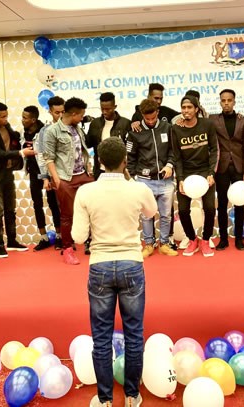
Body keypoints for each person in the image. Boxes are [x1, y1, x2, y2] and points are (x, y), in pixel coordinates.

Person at [72, 137, 155, 407]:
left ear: (99, 162)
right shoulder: (138, 189)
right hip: (131, 262)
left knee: (101, 337)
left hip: (100, 265)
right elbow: (151, 212)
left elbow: (78, 236)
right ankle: (132, 395)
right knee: (134, 334)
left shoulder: (86, 192)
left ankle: (105, 399)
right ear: (125, 161)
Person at [42, 97, 94, 265]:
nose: (82, 118)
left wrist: (88, 168)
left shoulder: (77, 128)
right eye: (81, 115)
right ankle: (68, 249)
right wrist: (56, 179)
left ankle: (93, 243)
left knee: (93, 209)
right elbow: (48, 158)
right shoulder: (52, 131)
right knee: (67, 215)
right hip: (65, 177)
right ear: (73, 114)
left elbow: (82, 152)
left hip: (83, 175)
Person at [0, 102, 35, 258]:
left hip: (7, 173)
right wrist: (21, 153)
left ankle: (12, 241)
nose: (6, 119)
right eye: (2, 117)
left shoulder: (7, 126)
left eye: (6, 116)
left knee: (10, 209)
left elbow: (14, 139)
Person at [126, 98, 178, 258]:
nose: (150, 121)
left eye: (153, 118)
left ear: (158, 112)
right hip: (144, 180)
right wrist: (131, 179)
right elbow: (130, 157)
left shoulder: (167, 128)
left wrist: (169, 165)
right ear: (141, 115)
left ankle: (164, 244)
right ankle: (148, 244)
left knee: (166, 215)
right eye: (146, 118)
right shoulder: (135, 131)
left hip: (165, 179)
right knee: (146, 215)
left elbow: (173, 150)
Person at [171, 95, 219, 257]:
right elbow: (177, 157)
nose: (186, 111)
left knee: (210, 208)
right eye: (183, 107)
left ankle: (205, 240)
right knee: (183, 210)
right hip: (186, 174)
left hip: (205, 172)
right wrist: (180, 179)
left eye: (189, 107)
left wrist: (211, 173)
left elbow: (214, 150)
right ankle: (192, 240)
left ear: (196, 109)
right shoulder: (176, 129)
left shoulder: (207, 125)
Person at [210, 88, 244, 251]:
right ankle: (223, 239)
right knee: (221, 204)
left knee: (239, 203)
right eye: (223, 100)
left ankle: (239, 239)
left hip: (239, 167)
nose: (226, 103)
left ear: (234, 101)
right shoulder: (213, 120)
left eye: (229, 100)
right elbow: (195, 114)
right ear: (220, 102)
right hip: (221, 168)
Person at [35, 96, 64, 250]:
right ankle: (59, 236)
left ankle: (70, 238)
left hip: (70, 175)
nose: (60, 115)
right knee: (54, 205)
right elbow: (41, 156)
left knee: (70, 208)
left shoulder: (72, 127)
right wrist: (45, 177)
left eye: (63, 112)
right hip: (53, 175)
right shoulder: (44, 131)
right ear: (50, 112)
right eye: (57, 112)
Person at [21, 105, 51, 251]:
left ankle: (59, 236)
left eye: (25, 118)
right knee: (37, 204)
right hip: (33, 173)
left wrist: (47, 175)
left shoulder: (45, 131)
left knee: (53, 203)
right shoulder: (23, 132)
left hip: (48, 173)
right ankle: (44, 237)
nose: (22, 120)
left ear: (33, 120)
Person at [86, 92, 131, 180]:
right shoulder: (95, 123)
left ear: (115, 107)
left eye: (108, 109)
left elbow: (130, 148)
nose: (104, 112)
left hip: (120, 170)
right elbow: (88, 144)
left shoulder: (126, 123)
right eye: (102, 109)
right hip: (100, 170)